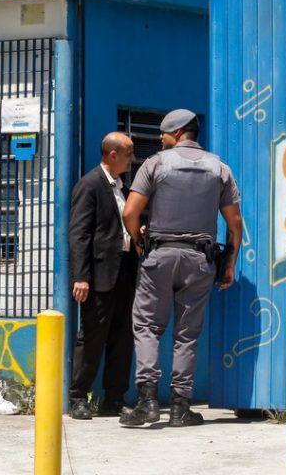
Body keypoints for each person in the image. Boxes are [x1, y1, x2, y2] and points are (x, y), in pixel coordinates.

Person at [119, 109, 242, 428]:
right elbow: (235, 223)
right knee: (187, 336)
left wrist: (137, 240)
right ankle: (179, 407)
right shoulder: (220, 168)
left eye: (163, 133)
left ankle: (147, 401)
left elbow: (130, 211)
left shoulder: (156, 163)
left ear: (177, 133)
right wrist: (229, 263)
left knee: (146, 326)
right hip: (200, 260)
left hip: (159, 255)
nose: (159, 138)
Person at [67, 132, 138, 420]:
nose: (132, 158)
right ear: (113, 155)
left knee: (122, 337)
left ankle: (114, 398)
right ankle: (78, 398)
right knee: (93, 337)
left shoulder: (123, 187)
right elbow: (79, 233)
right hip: (98, 275)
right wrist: (81, 276)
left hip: (124, 272)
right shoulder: (90, 185)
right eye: (129, 153)